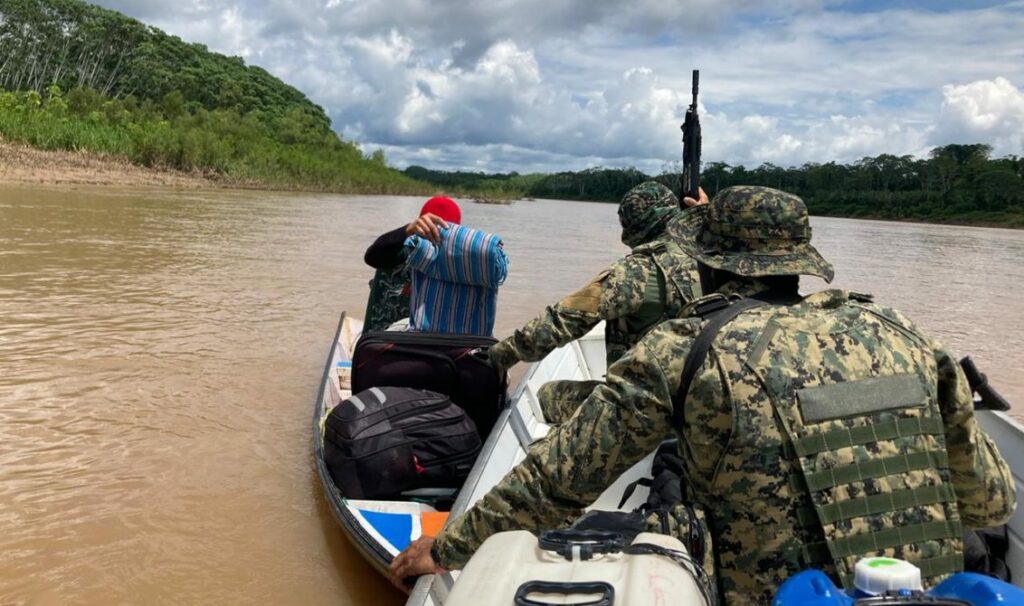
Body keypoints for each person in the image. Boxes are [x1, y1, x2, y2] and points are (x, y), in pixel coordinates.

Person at [388, 186, 1016, 604]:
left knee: (665, 504)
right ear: (800, 260)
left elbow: (554, 483)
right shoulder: (902, 332)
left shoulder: (683, 348)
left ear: (708, 263)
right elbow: (991, 501)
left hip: (766, 595)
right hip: (931, 591)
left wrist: (445, 548)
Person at [486, 180, 708, 422]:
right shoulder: (712, 259)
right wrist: (700, 217)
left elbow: (560, 322)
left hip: (650, 409)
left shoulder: (635, 272)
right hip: (704, 402)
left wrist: (498, 356)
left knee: (547, 396)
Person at [363, 196, 462, 331]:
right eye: (429, 231)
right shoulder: (399, 252)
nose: (435, 238)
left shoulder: (457, 267)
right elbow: (371, 257)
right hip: (382, 338)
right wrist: (406, 231)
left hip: (426, 339)